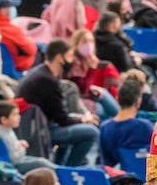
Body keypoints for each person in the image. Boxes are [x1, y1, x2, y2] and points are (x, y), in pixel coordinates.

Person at [17, 38, 100, 166]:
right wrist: (83, 120)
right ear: (60, 58)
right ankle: (70, 169)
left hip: (37, 124)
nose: (72, 60)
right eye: (70, 56)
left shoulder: (41, 72)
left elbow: (58, 115)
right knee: (91, 132)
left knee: (78, 128)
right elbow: (62, 120)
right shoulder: (47, 80)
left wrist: (79, 118)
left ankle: (61, 166)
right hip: (40, 131)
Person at [99, 77, 154, 169]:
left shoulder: (105, 127)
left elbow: (106, 162)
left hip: (118, 179)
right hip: (144, 177)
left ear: (117, 99)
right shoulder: (144, 126)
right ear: (138, 101)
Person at [0, 100, 53, 173]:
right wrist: (22, 148)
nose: (19, 117)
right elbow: (14, 159)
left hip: (17, 159)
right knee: (42, 164)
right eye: (15, 115)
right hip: (12, 165)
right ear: (4, 119)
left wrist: (18, 143)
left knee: (43, 161)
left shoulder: (6, 129)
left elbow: (11, 146)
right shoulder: (2, 134)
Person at [0, 0, 34, 72]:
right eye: (11, 6)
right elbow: (31, 50)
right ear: (3, 10)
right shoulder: (13, 30)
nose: (13, 9)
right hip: (16, 67)